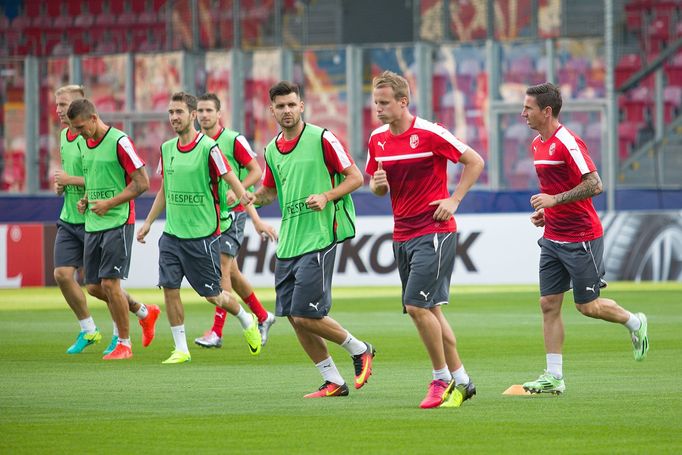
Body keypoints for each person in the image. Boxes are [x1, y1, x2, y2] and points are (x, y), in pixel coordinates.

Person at [520, 82, 649, 395]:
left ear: (546, 111)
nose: (523, 113)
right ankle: (554, 377)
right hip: (553, 236)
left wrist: (554, 200)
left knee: (587, 307)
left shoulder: (568, 142)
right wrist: (548, 214)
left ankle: (634, 322)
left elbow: (595, 184)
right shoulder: (537, 144)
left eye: (528, 108)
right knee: (548, 303)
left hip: (581, 237)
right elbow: (557, 193)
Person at [366, 71, 484, 409]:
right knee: (430, 310)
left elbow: (474, 162)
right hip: (402, 233)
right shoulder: (378, 139)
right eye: (376, 102)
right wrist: (378, 185)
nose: (378, 108)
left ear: (403, 102)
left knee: (416, 306)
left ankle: (441, 379)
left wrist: (454, 199)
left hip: (433, 231)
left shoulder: (430, 133)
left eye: (385, 103)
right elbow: (376, 186)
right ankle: (462, 380)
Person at [253, 81, 374, 398]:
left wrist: (326, 196)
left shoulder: (322, 138)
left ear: (302, 105)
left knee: (307, 313)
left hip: (320, 236)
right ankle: (333, 381)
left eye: (292, 104)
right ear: (272, 110)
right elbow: (268, 191)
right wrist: (246, 199)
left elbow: (356, 177)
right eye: (280, 106)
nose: (287, 110)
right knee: (295, 317)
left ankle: (360, 349)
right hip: (289, 242)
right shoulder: (271, 150)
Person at [136, 91, 276, 364]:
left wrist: (246, 199)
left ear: (192, 116)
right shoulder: (167, 149)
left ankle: (246, 318)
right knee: (169, 287)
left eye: (179, 112)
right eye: (171, 112)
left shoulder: (210, 148)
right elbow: (165, 188)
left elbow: (231, 176)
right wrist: (149, 222)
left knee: (215, 295)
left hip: (203, 236)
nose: (174, 117)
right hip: (172, 235)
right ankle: (181, 348)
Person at [67, 98, 160, 360]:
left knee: (110, 283)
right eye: (73, 128)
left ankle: (124, 344)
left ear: (94, 118)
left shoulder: (120, 141)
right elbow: (95, 179)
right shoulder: (83, 143)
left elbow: (142, 183)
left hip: (118, 221)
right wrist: (88, 198)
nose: (77, 133)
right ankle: (144, 312)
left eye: (81, 127)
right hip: (94, 222)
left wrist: (109, 203)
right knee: (95, 287)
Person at [193, 92, 276, 349]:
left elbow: (256, 171)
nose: (204, 115)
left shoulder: (233, 139)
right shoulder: (196, 142)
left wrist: (237, 189)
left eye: (209, 110)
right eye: (201, 111)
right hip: (210, 216)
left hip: (235, 212)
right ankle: (263, 316)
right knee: (233, 273)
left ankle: (217, 332)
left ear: (219, 114)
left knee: (222, 267)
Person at [53, 85, 100, 354]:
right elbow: (68, 174)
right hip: (69, 217)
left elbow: (103, 179)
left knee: (101, 286)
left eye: (64, 105)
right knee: (61, 274)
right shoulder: (63, 135)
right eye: (57, 105)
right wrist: (62, 186)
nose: (59, 110)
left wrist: (70, 180)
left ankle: (139, 313)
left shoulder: (91, 136)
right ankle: (89, 329)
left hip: (94, 218)